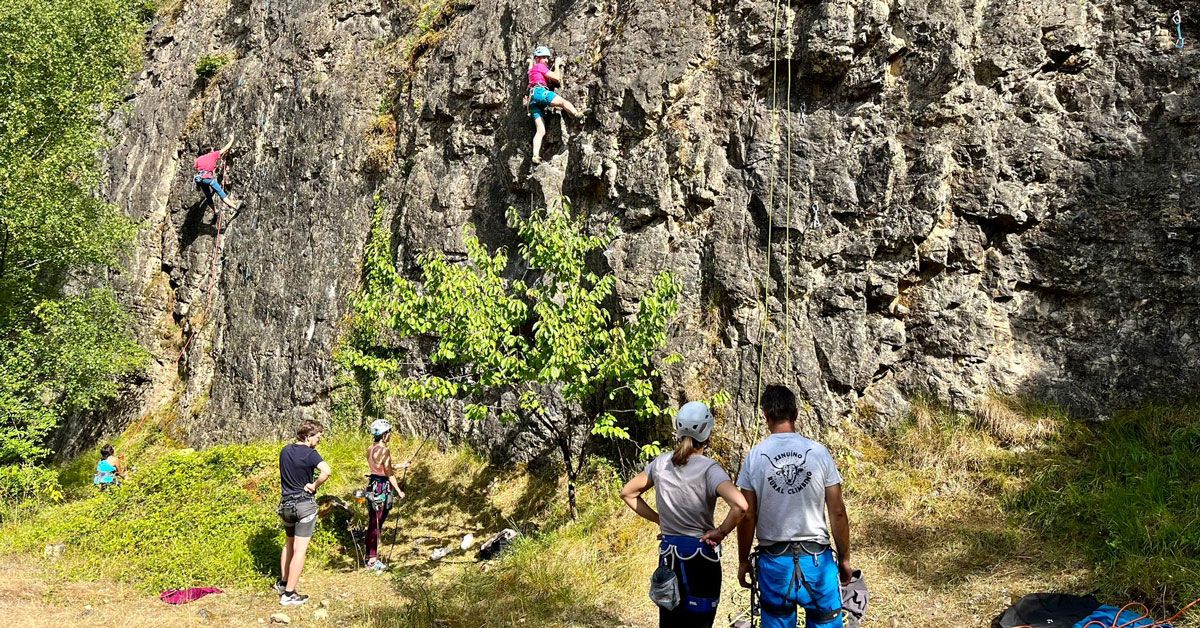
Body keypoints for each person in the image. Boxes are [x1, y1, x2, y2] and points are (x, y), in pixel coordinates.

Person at [620, 401, 748, 628]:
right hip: (701, 560)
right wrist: (720, 532)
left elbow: (628, 493)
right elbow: (740, 505)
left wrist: (662, 521)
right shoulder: (710, 469)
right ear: (707, 433)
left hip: (669, 560)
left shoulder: (660, 464)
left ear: (678, 429)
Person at [736, 384, 853, 628]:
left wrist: (743, 560)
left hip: (775, 565)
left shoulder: (756, 456)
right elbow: (837, 511)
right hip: (816, 563)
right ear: (796, 414)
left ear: (766, 416)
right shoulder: (819, 453)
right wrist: (844, 559)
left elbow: (748, 515)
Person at [275, 420, 332, 606]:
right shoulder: (310, 454)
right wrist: (314, 485)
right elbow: (327, 471)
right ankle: (289, 594)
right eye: (318, 437)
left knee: (288, 544)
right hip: (303, 506)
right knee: (300, 550)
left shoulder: (285, 450)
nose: (319, 440)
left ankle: (283, 584)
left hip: (285, 506)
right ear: (308, 436)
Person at [525, 45, 584, 164]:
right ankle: (576, 114)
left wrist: (530, 62)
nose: (546, 60)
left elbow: (530, 68)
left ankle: (535, 155)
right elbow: (557, 77)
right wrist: (557, 64)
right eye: (544, 57)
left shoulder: (532, 69)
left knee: (540, 130)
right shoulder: (540, 66)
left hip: (532, 101)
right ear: (538, 58)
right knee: (562, 102)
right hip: (540, 92)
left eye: (547, 58)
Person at [363, 419, 405, 571]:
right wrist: (399, 491)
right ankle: (372, 560)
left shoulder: (371, 448)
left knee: (373, 521)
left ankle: (370, 555)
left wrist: (401, 465)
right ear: (384, 434)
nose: (390, 435)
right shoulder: (385, 451)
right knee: (376, 523)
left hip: (373, 484)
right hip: (382, 487)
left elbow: (381, 467)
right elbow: (389, 473)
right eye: (389, 432)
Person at [194, 134, 241, 211]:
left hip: (201, 180)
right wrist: (232, 139)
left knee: (208, 196)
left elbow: (199, 171)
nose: (213, 150)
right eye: (212, 149)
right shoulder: (212, 155)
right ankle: (235, 207)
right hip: (208, 178)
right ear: (209, 151)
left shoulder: (198, 159)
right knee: (220, 192)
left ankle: (215, 211)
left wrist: (198, 186)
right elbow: (225, 148)